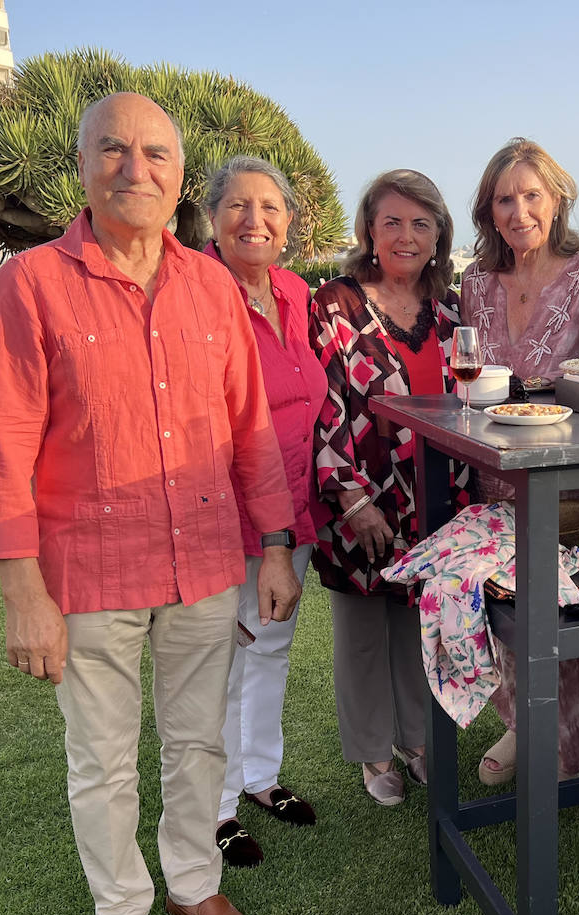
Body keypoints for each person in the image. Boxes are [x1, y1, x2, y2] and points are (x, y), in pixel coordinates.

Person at [0, 94, 302, 915]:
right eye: (112, 149)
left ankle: (193, 881)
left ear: (179, 174)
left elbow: (250, 433)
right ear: (82, 166)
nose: (135, 167)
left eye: (155, 152)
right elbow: (1, 449)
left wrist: (276, 544)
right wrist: (21, 592)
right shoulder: (30, 284)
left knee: (197, 741)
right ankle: (121, 910)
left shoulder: (211, 288)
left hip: (204, 561)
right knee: (102, 757)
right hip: (89, 568)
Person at [459, 138, 579, 784]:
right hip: (489, 476)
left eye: (532, 195)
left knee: (559, 616)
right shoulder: (475, 283)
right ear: (489, 212)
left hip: (564, 484)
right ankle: (518, 722)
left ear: (556, 202)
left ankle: (561, 745)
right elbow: (466, 376)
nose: (519, 210)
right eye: (505, 199)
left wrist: (548, 394)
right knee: (496, 610)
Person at [311, 169, 460, 806]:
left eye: (421, 223)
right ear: (369, 230)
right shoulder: (336, 305)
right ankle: (373, 752)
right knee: (363, 631)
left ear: (438, 235)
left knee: (419, 624)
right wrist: (352, 499)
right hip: (362, 498)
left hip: (437, 497)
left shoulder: (450, 310)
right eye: (392, 221)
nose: (406, 236)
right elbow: (324, 405)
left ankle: (417, 739)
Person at [202, 156, 324, 867]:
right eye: (238, 206)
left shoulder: (293, 290)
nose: (255, 220)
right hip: (228, 507)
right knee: (223, 659)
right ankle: (215, 807)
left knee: (272, 643)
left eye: (270, 207)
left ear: (288, 222)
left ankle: (260, 777)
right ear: (212, 218)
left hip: (295, 502)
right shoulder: (197, 290)